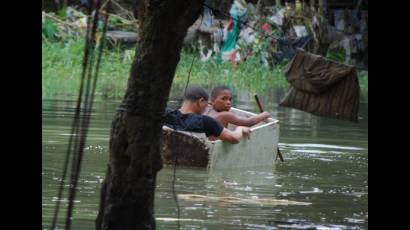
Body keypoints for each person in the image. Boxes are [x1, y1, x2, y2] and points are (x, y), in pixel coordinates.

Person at [164, 86, 251, 144]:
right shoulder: (206, 121)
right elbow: (234, 138)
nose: (205, 109)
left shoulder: (166, 114)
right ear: (201, 101)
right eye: (206, 106)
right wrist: (240, 128)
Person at [204, 86, 270, 127]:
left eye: (230, 99)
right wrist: (264, 114)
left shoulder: (205, 108)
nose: (228, 102)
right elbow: (249, 122)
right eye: (224, 99)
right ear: (212, 101)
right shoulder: (225, 115)